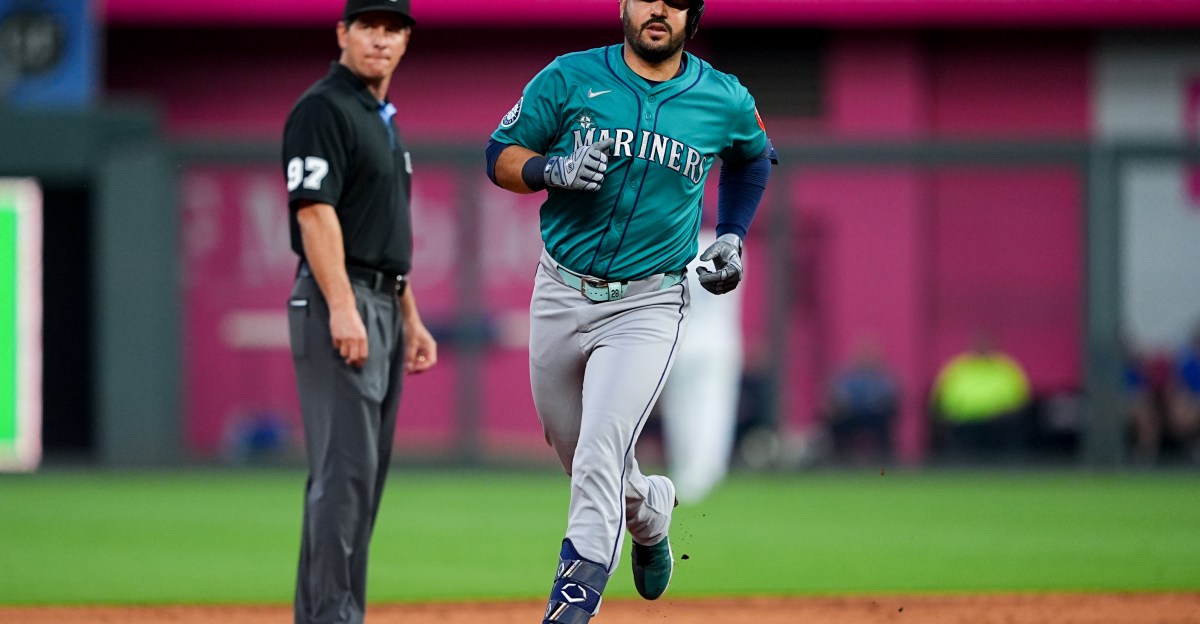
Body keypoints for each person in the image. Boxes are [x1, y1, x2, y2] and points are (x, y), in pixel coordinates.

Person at [484, 0, 775, 621]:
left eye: (675, 1)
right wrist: (546, 168)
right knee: (578, 450)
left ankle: (573, 604)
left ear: (691, 16)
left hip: (649, 302)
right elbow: (500, 154)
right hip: (560, 290)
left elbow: (752, 158)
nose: (658, 9)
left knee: (599, 450)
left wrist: (732, 233)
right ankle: (649, 511)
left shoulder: (721, 97)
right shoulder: (570, 75)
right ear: (624, 5)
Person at [281, 1, 438, 622]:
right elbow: (315, 213)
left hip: (381, 300)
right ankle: (332, 617)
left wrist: (411, 316)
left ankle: (328, 613)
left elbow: (379, 233)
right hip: (337, 299)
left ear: (405, 41)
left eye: (394, 28)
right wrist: (343, 307)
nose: (382, 38)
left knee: (359, 481)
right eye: (369, 25)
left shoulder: (381, 119)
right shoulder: (324, 108)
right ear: (343, 32)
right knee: (342, 476)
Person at [657, 227, 744, 504]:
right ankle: (707, 473)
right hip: (718, 339)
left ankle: (684, 471)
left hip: (681, 338)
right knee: (713, 410)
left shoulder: (676, 246)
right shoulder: (733, 249)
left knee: (679, 410)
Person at [930, 331, 1031, 462]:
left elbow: (1021, 396)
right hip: (964, 421)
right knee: (965, 457)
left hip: (997, 422)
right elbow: (940, 392)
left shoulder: (1004, 367)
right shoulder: (959, 367)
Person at [822, 337, 898, 465]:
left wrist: (880, 403)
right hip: (851, 415)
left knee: (884, 422)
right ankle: (838, 458)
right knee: (834, 422)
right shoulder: (847, 377)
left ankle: (885, 461)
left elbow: (889, 398)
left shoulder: (882, 378)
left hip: (874, 416)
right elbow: (836, 395)